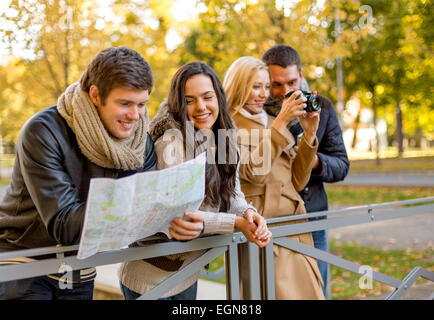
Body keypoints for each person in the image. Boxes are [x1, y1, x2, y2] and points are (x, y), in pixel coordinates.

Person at [0, 46, 158, 300]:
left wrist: (175, 220)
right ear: (95, 95)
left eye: (141, 104)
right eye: (125, 103)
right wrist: (140, 203)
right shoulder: (43, 131)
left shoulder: (139, 141)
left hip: (78, 269)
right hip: (22, 263)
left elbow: (151, 209)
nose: (135, 115)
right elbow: (65, 224)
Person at [118, 61, 272, 300]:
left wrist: (248, 213)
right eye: (189, 100)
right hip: (149, 278)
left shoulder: (221, 137)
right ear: (179, 104)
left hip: (187, 271)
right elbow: (183, 217)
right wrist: (236, 224)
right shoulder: (171, 142)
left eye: (207, 97)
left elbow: (233, 194)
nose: (201, 107)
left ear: (219, 98)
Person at [223, 56, 324, 299]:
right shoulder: (226, 126)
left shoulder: (270, 121)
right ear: (238, 86)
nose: (263, 94)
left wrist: (309, 136)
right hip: (262, 228)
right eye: (255, 86)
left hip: (295, 227)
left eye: (266, 87)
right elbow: (251, 173)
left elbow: (298, 182)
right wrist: (280, 123)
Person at [262, 45, 350, 296]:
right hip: (269, 221)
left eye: (292, 82)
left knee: (317, 291)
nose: (285, 92)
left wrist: (314, 160)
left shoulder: (322, 106)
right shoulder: (255, 110)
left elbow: (342, 165)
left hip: (311, 218)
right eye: (276, 84)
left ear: (301, 75)